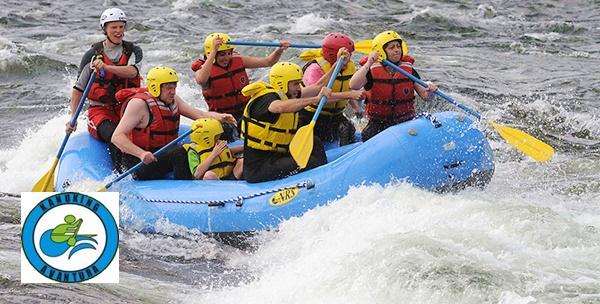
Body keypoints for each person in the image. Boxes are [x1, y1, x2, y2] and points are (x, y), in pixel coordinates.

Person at [240, 52, 352, 183]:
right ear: (282, 83)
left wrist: (337, 65)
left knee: (314, 141)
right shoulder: (265, 99)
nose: (298, 88)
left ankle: (326, 177)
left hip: (279, 156)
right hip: (259, 168)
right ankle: (322, 182)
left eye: (299, 83)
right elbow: (279, 107)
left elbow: (318, 86)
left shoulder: (289, 94)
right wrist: (315, 99)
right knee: (312, 162)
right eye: (295, 84)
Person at [111, 66, 236, 181]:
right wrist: (141, 154)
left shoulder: (172, 100)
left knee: (215, 134)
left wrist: (221, 117)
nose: (173, 92)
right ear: (155, 87)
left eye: (174, 87)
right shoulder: (139, 104)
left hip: (161, 155)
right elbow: (117, 137)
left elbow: (200, 115)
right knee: (179, 153)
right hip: (139, 162)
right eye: (169, 88)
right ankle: (187, 188)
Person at [66, 8, 143, 170]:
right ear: (105, 29)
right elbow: (78, 89)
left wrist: (107, 68)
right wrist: (72, 118)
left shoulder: (134, 51)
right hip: (100, 111)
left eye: (121, 27)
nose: (118, 31)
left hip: (127, 109)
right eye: (113, 27)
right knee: (116, 136)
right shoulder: (91, 56)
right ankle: (119, 174)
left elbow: (133, 71)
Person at [191, 33, 290, 139]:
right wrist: (214, 51)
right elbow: (201, 80)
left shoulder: (238, 60)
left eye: (229, 53)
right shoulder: (204, 69)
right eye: (222, 54)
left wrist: (279, 50)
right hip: (223, 118)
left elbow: (268, 62)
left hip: (245, 112)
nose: (226, 58)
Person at [349, 30, 439, 142]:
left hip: (405, 123)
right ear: (381, 51)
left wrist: (430, 92)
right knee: (368, 135)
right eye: (391, 47)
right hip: (378, 124)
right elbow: (353, 85)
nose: (397, 50)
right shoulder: (371, 70)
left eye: (398, 46)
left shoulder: (408, 70)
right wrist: (368, 63)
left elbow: (426, 97)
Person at [300, 32, 364, 145]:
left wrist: (354, 107)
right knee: (317, 141)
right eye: (347, 56)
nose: (349, 59)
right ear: (333, 55)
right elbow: (319, 97)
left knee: (348, 130)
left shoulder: (350, 67)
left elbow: (345, 88)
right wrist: (350, 95)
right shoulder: (315, 69)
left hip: (335, 115)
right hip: (313, 115)